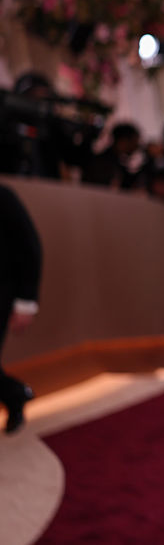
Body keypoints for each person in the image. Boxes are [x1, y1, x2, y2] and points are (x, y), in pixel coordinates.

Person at [0, 183, 42, 434]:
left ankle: (15, 395)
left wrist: (26, 300)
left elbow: (31, 248)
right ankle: (15, 394)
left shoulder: (3, 197)